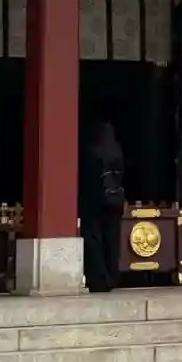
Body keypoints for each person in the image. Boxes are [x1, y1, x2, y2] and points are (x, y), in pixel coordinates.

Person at [83, 121, 127, 293]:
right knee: (112, 239)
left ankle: (99, 278)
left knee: (94, 239)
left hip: (96, 200)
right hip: (115, 200)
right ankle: (113, 276)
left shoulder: (92, 151)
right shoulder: (117, 151)